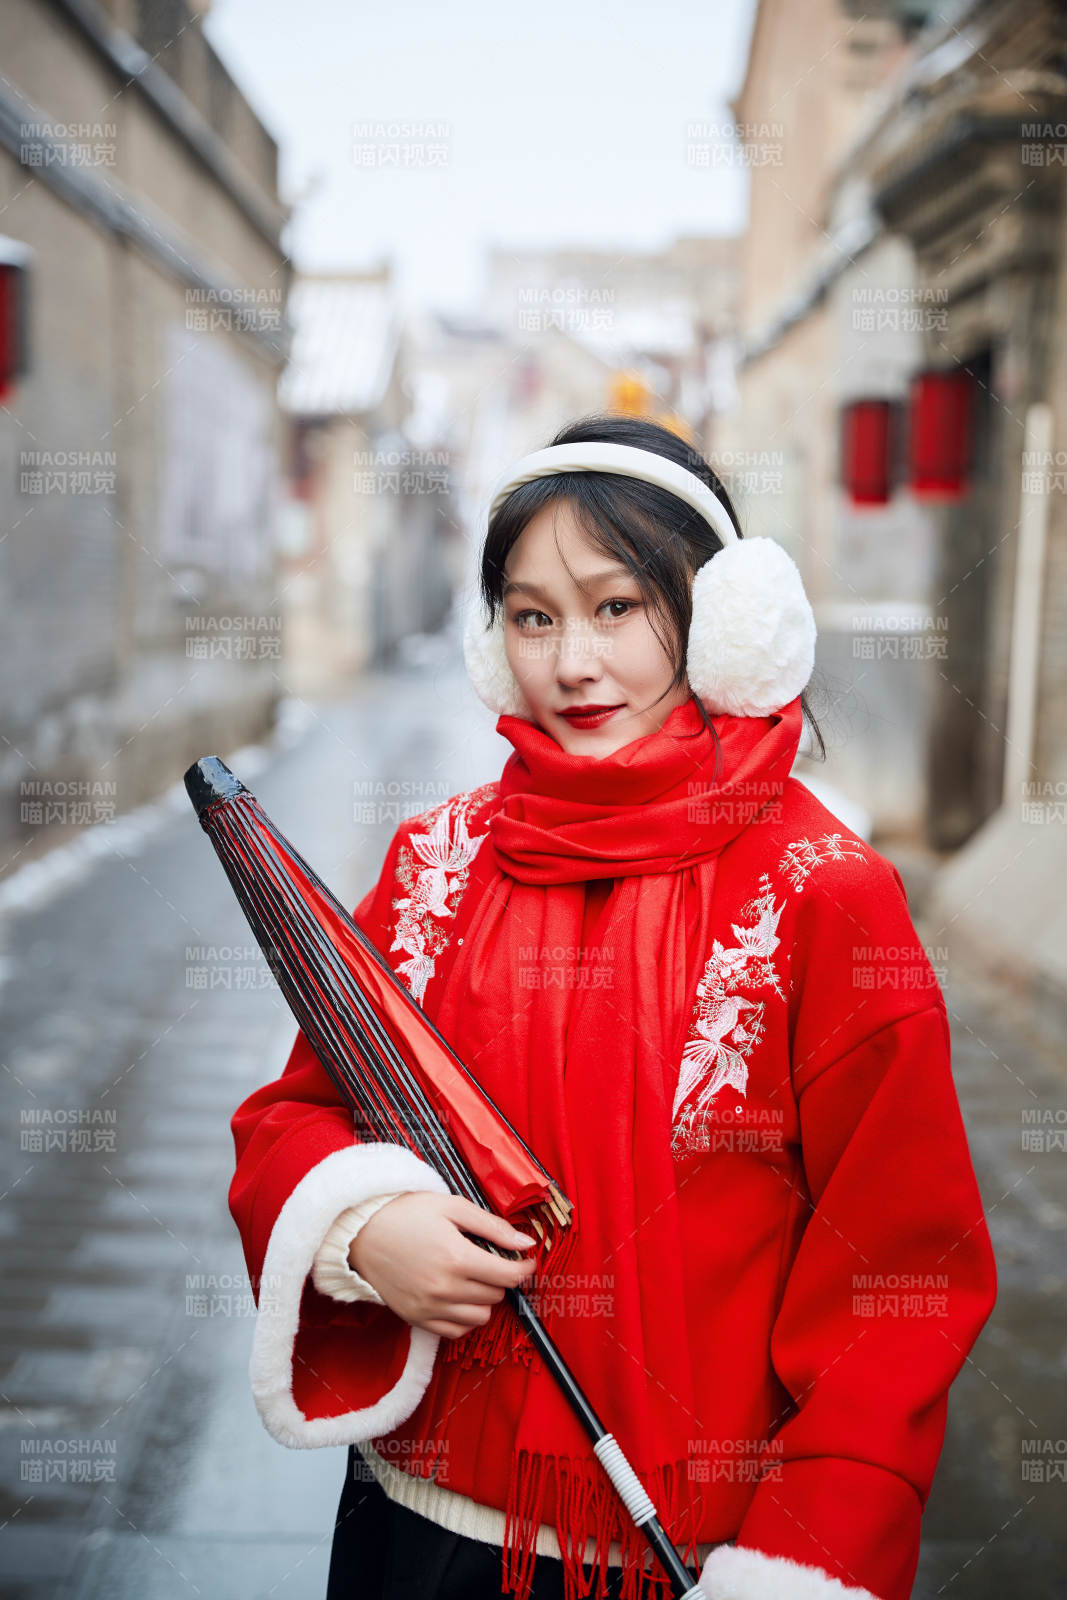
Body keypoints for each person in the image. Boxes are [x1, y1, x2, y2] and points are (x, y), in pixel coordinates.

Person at [227, 414, 998, 1600]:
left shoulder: (821, 894)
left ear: (720, 621)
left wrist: (799, 1560)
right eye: (532, 617)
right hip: (412, 1531)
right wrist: (364, 1229)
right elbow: (293, 1116)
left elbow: (900, 1281)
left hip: (684, 1561)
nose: (570, 663)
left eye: (615, 607)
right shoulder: (436, 862)